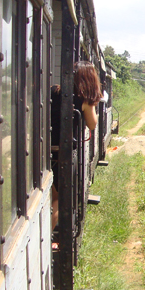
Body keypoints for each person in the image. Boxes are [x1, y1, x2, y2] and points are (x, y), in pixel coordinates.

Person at [51, 61, 102, 233]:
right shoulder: (84, 101)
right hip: (61, 155)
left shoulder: (54, 90)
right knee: (59, 200)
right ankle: (47, 237)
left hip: (43, 151)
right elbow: (92, 124)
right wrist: (93, 103)